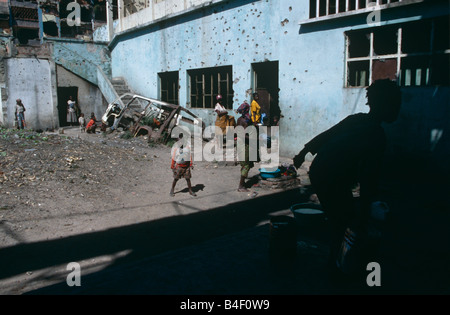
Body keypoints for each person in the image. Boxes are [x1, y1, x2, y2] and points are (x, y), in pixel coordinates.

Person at [293, 79, 402, 276]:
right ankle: (336, 265)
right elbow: (370, 178)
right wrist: (365, 210)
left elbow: (325, 135)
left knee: (341, 217)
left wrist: (302, 153)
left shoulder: (357, 119)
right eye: (396, 103)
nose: (398, 108)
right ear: (385, 104)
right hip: (330, 175)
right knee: (343, 222)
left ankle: (336, 261)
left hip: (321, 170)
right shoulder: (376, 135)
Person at [236, 101, 257, 192]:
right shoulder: (245, 120)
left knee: (246, 163)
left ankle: (243, 183)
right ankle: (241, 186)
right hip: (244, 145)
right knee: (246, 165)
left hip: (241, 144)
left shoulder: (240, 119)